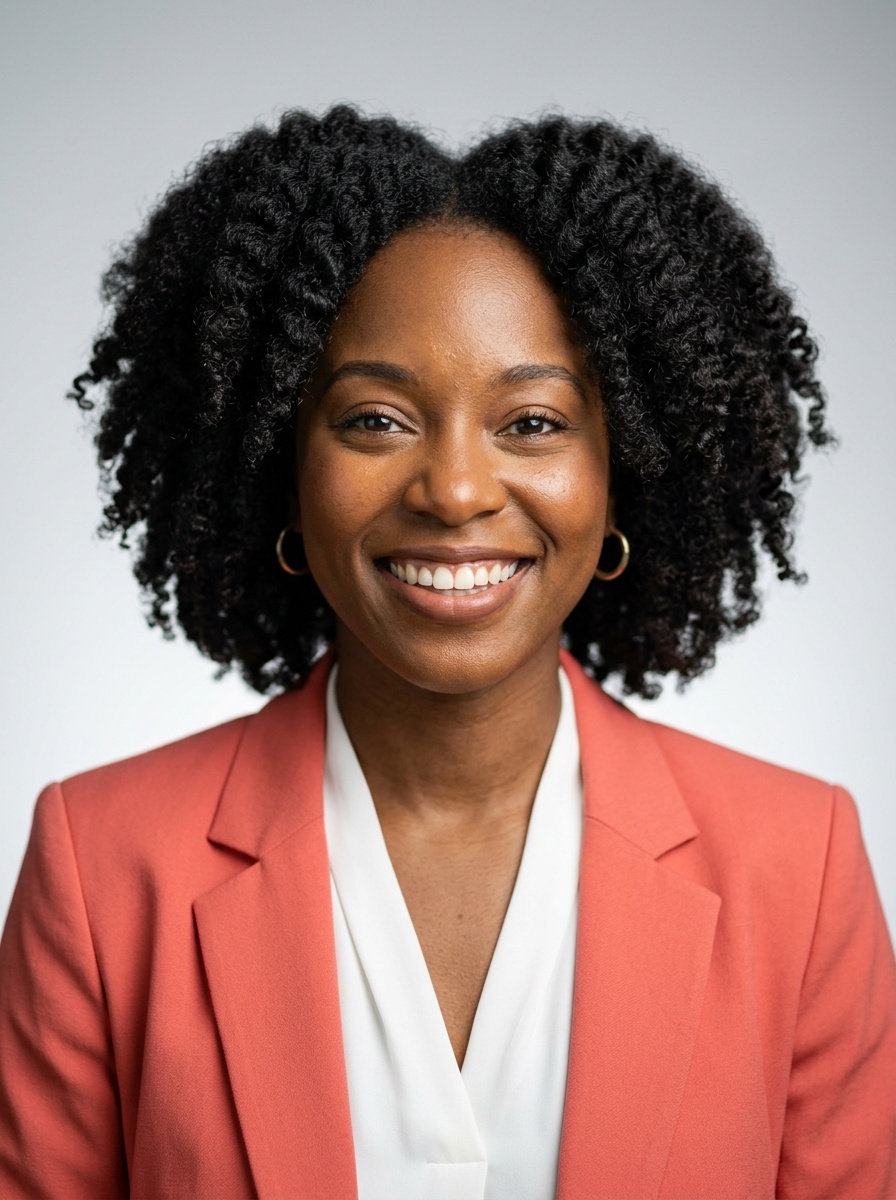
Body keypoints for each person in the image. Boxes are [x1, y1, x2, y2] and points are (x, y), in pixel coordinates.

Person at [0, 105, 893, 1200]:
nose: (457, 490)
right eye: (376, 419)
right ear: (283, 462)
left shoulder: (794, 872)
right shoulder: (102, 869)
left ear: (623, 471)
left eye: (531, 422)